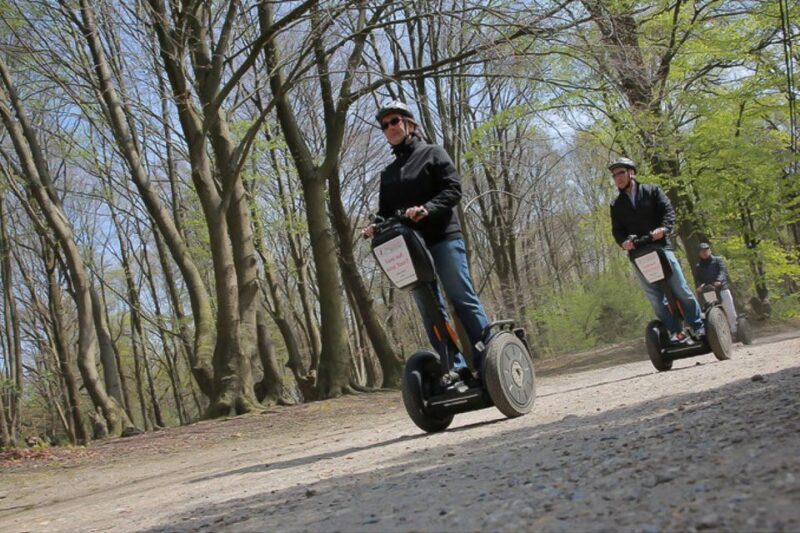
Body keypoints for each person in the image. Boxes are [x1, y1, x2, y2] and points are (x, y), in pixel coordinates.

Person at [362, 100, 490, 376]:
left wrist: (427, 209)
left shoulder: (433, 153)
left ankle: (488, 357)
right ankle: (454, 367)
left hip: (443, 237)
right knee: (431, 309)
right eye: (384, 125)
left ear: (409, 123)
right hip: (410, 249)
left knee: (461, 298)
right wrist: (374, 226)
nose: (389, 128)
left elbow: (453, 189)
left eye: (394, 121)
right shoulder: (388, 174)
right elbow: (384, 213)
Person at [608, 157, 705, 343]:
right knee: (655, 297)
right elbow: (617, 230)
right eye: (614, 175)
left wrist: (664, 229)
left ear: (631, 173)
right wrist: (623, 242)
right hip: (638, 254)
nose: (617, 178)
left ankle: (697, 325)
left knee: (680, 289)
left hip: (661, 247)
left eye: (620, 173)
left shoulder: (652, 191)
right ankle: (675, 331)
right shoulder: (616, 204)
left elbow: (668, 211)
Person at [693, 242, 738, 335]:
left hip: (722, 288)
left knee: (730, 310)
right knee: (714, 312)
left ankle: (735, 329)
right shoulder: (698, 266)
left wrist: (719, 280)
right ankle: (723, 334)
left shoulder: (718, 260)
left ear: (710, 250)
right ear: (699, 253)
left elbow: (723, 271)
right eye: (702, 251)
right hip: (709, 291)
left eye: (706, 250)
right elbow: (698, 279)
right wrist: (699, 286)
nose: (704, 253)